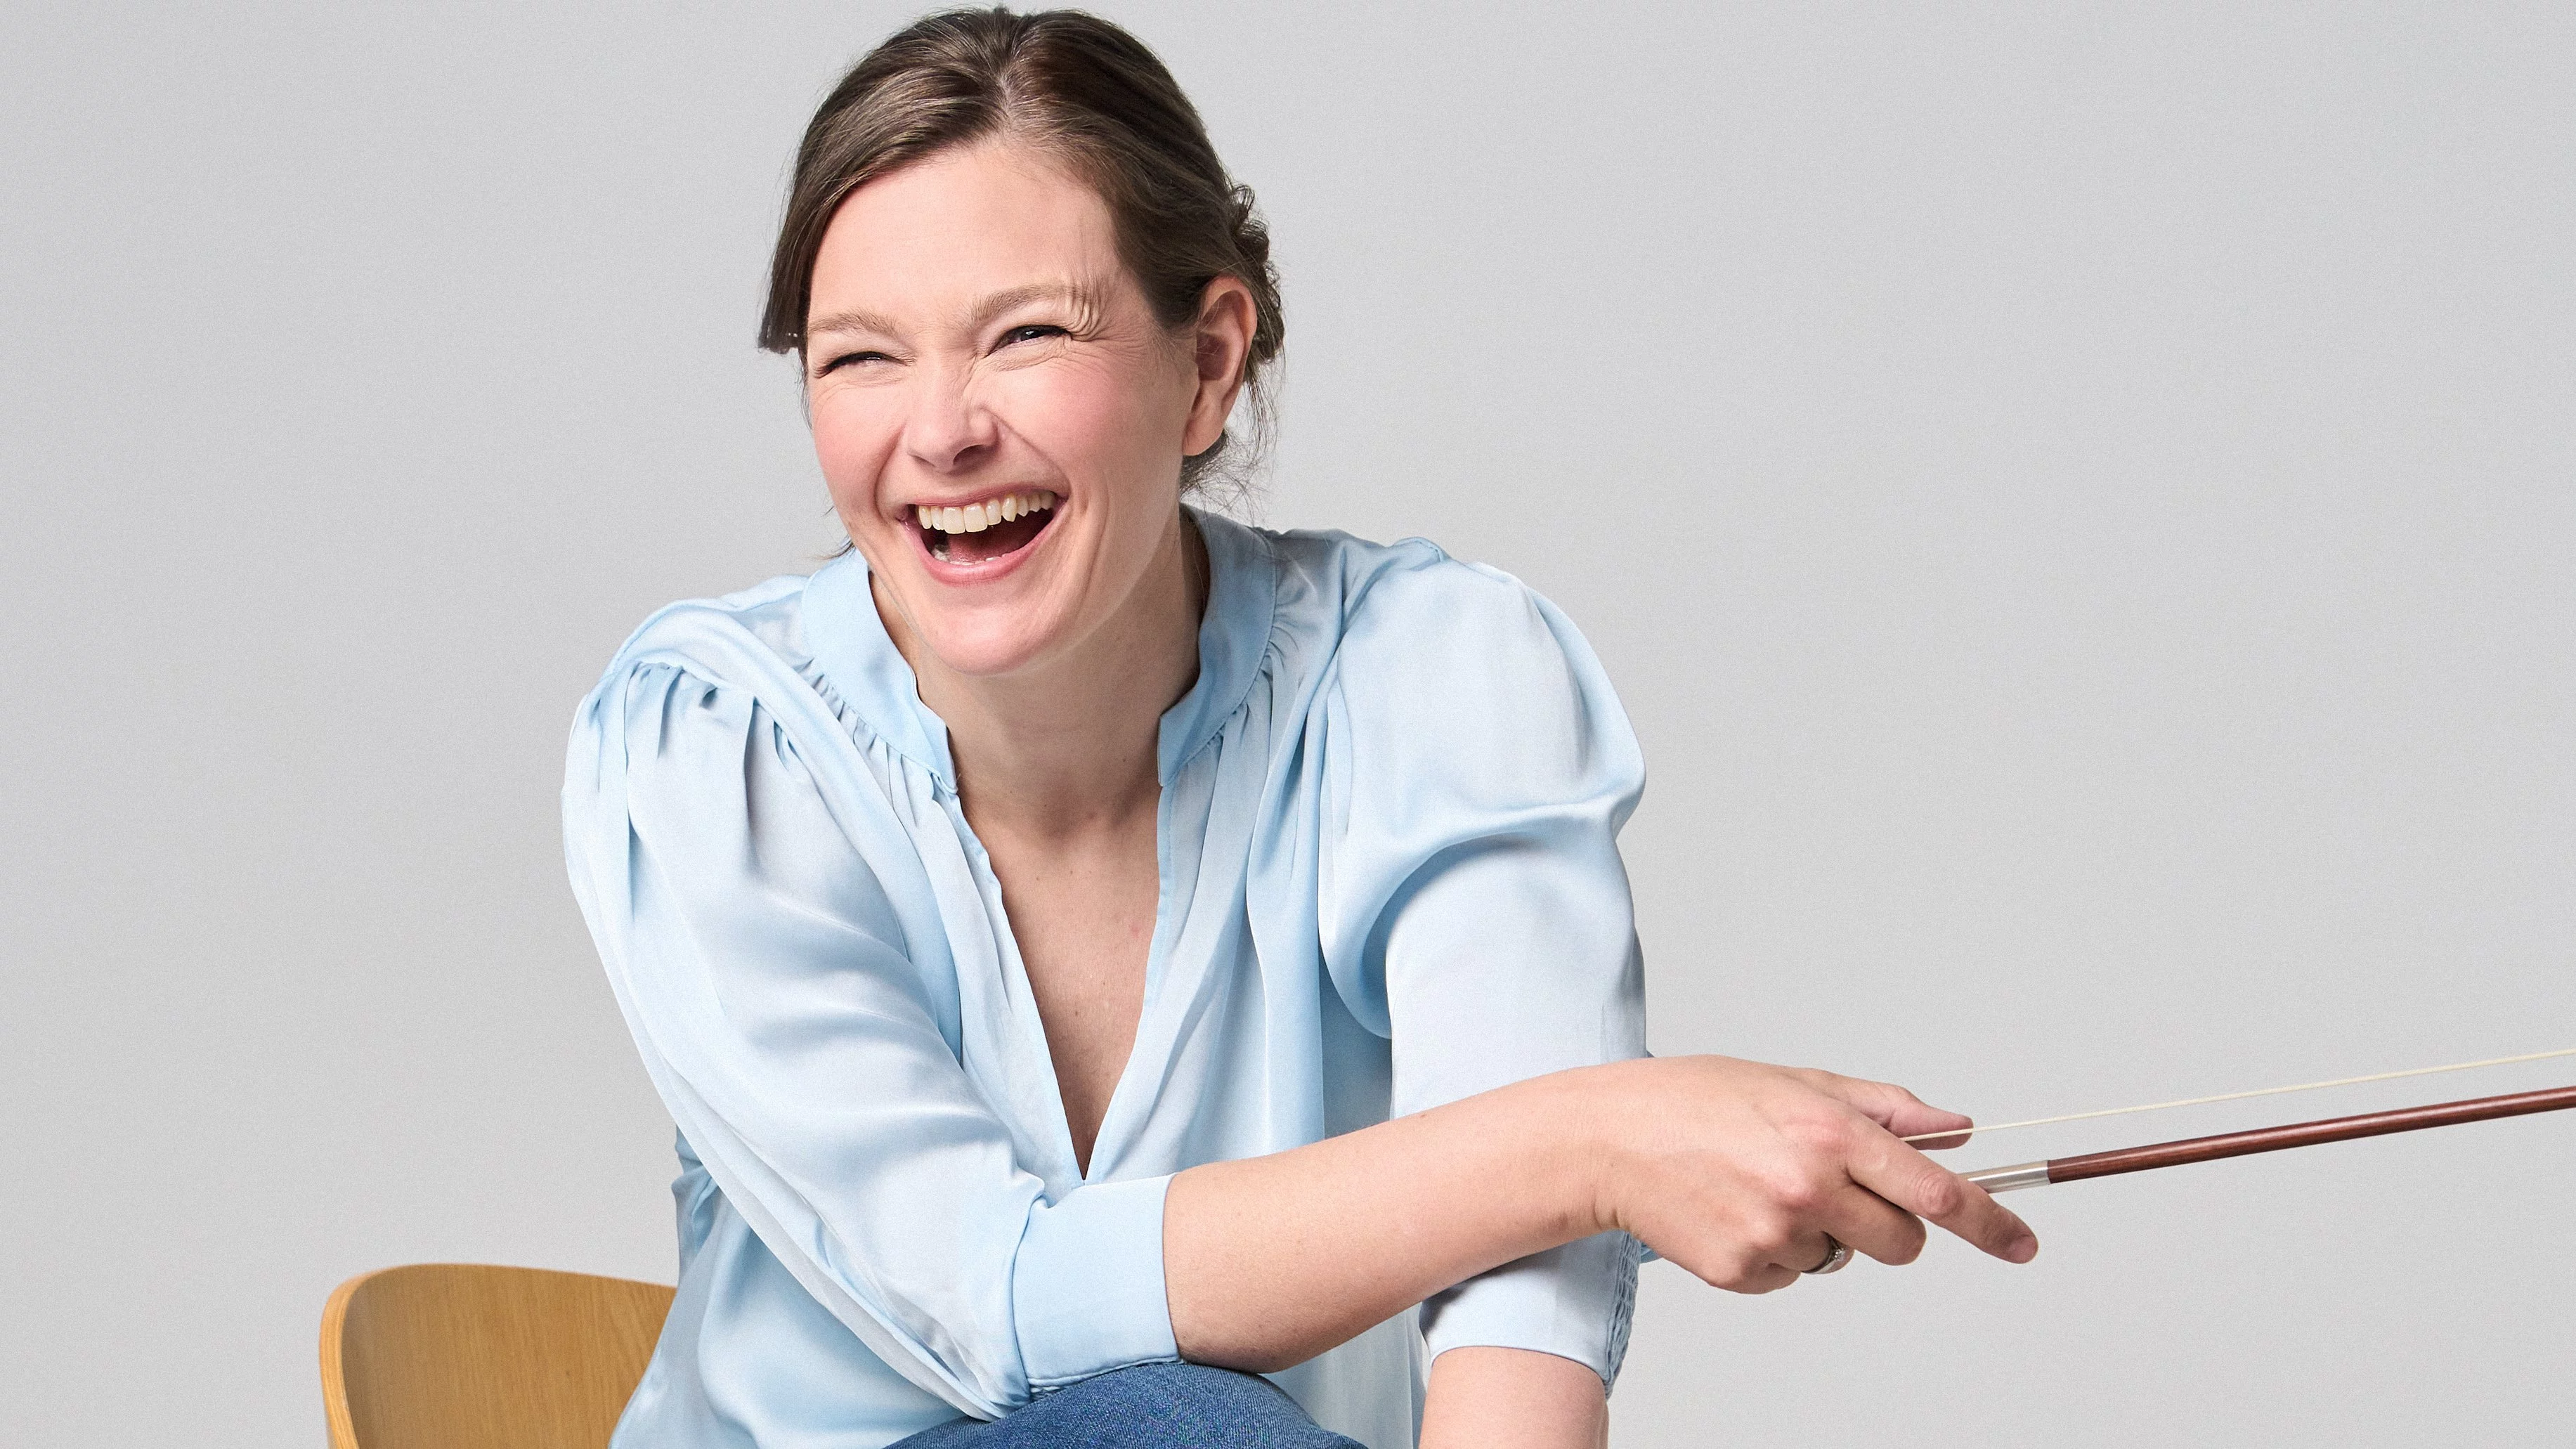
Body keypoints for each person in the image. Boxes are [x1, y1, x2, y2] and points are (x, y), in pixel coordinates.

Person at [562, 10, 2037, 1447]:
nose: (940, 431)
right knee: (1170, 1417)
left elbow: (1523, 1300)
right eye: (861, 357)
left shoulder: (1430, 679)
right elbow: (1001, 1309)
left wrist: (1589, 1164)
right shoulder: (717, 749)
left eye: (1023, 335)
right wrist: (1592, 1143)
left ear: (1208, 361)